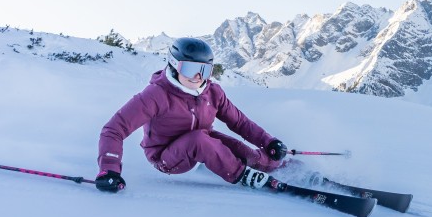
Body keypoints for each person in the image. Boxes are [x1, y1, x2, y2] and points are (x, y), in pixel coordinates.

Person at [94, 37, 288, 192]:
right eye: (191, 69)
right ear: (174, 65)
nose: (198, 77)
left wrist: (269, 142)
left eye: (204, 70)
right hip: (167, 158)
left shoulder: (212, 92)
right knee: (200, 141)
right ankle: (242, 175)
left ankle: (281, 167)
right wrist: (109, 169)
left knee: (239, 149)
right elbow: (114, 129)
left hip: (203, 142)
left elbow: (239, 122)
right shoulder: (156, 95)